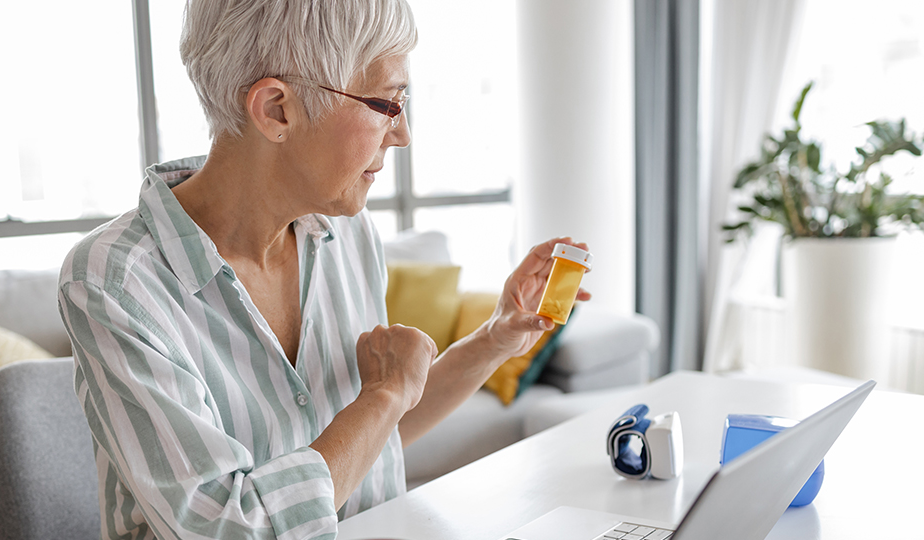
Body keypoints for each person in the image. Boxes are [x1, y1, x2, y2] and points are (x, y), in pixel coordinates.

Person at [57, 0, 590, 538]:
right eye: (387, 101)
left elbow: (370, 444)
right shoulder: (115, 283)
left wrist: (495, 338)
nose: (402, 133)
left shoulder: (348, 235)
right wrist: (381, 395)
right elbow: (231, 528)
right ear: (276, 110)